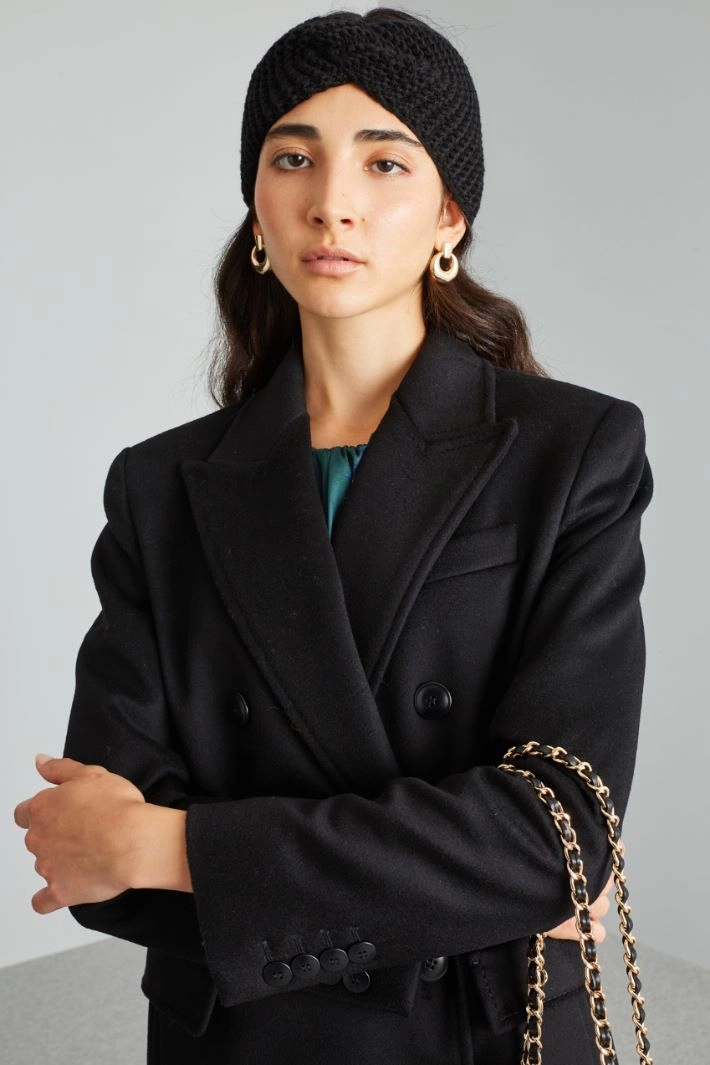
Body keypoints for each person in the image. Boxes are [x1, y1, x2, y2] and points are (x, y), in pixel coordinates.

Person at [14, 8, 653, 1065]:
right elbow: (94, 859)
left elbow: (555, 835)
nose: (332, 201)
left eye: (384, 161)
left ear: (449, 215)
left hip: (475, 1038)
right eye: (293, 157)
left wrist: (177, 845)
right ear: (257, 211)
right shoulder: (160, 486)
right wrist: (460, 888)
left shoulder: (573, 453)